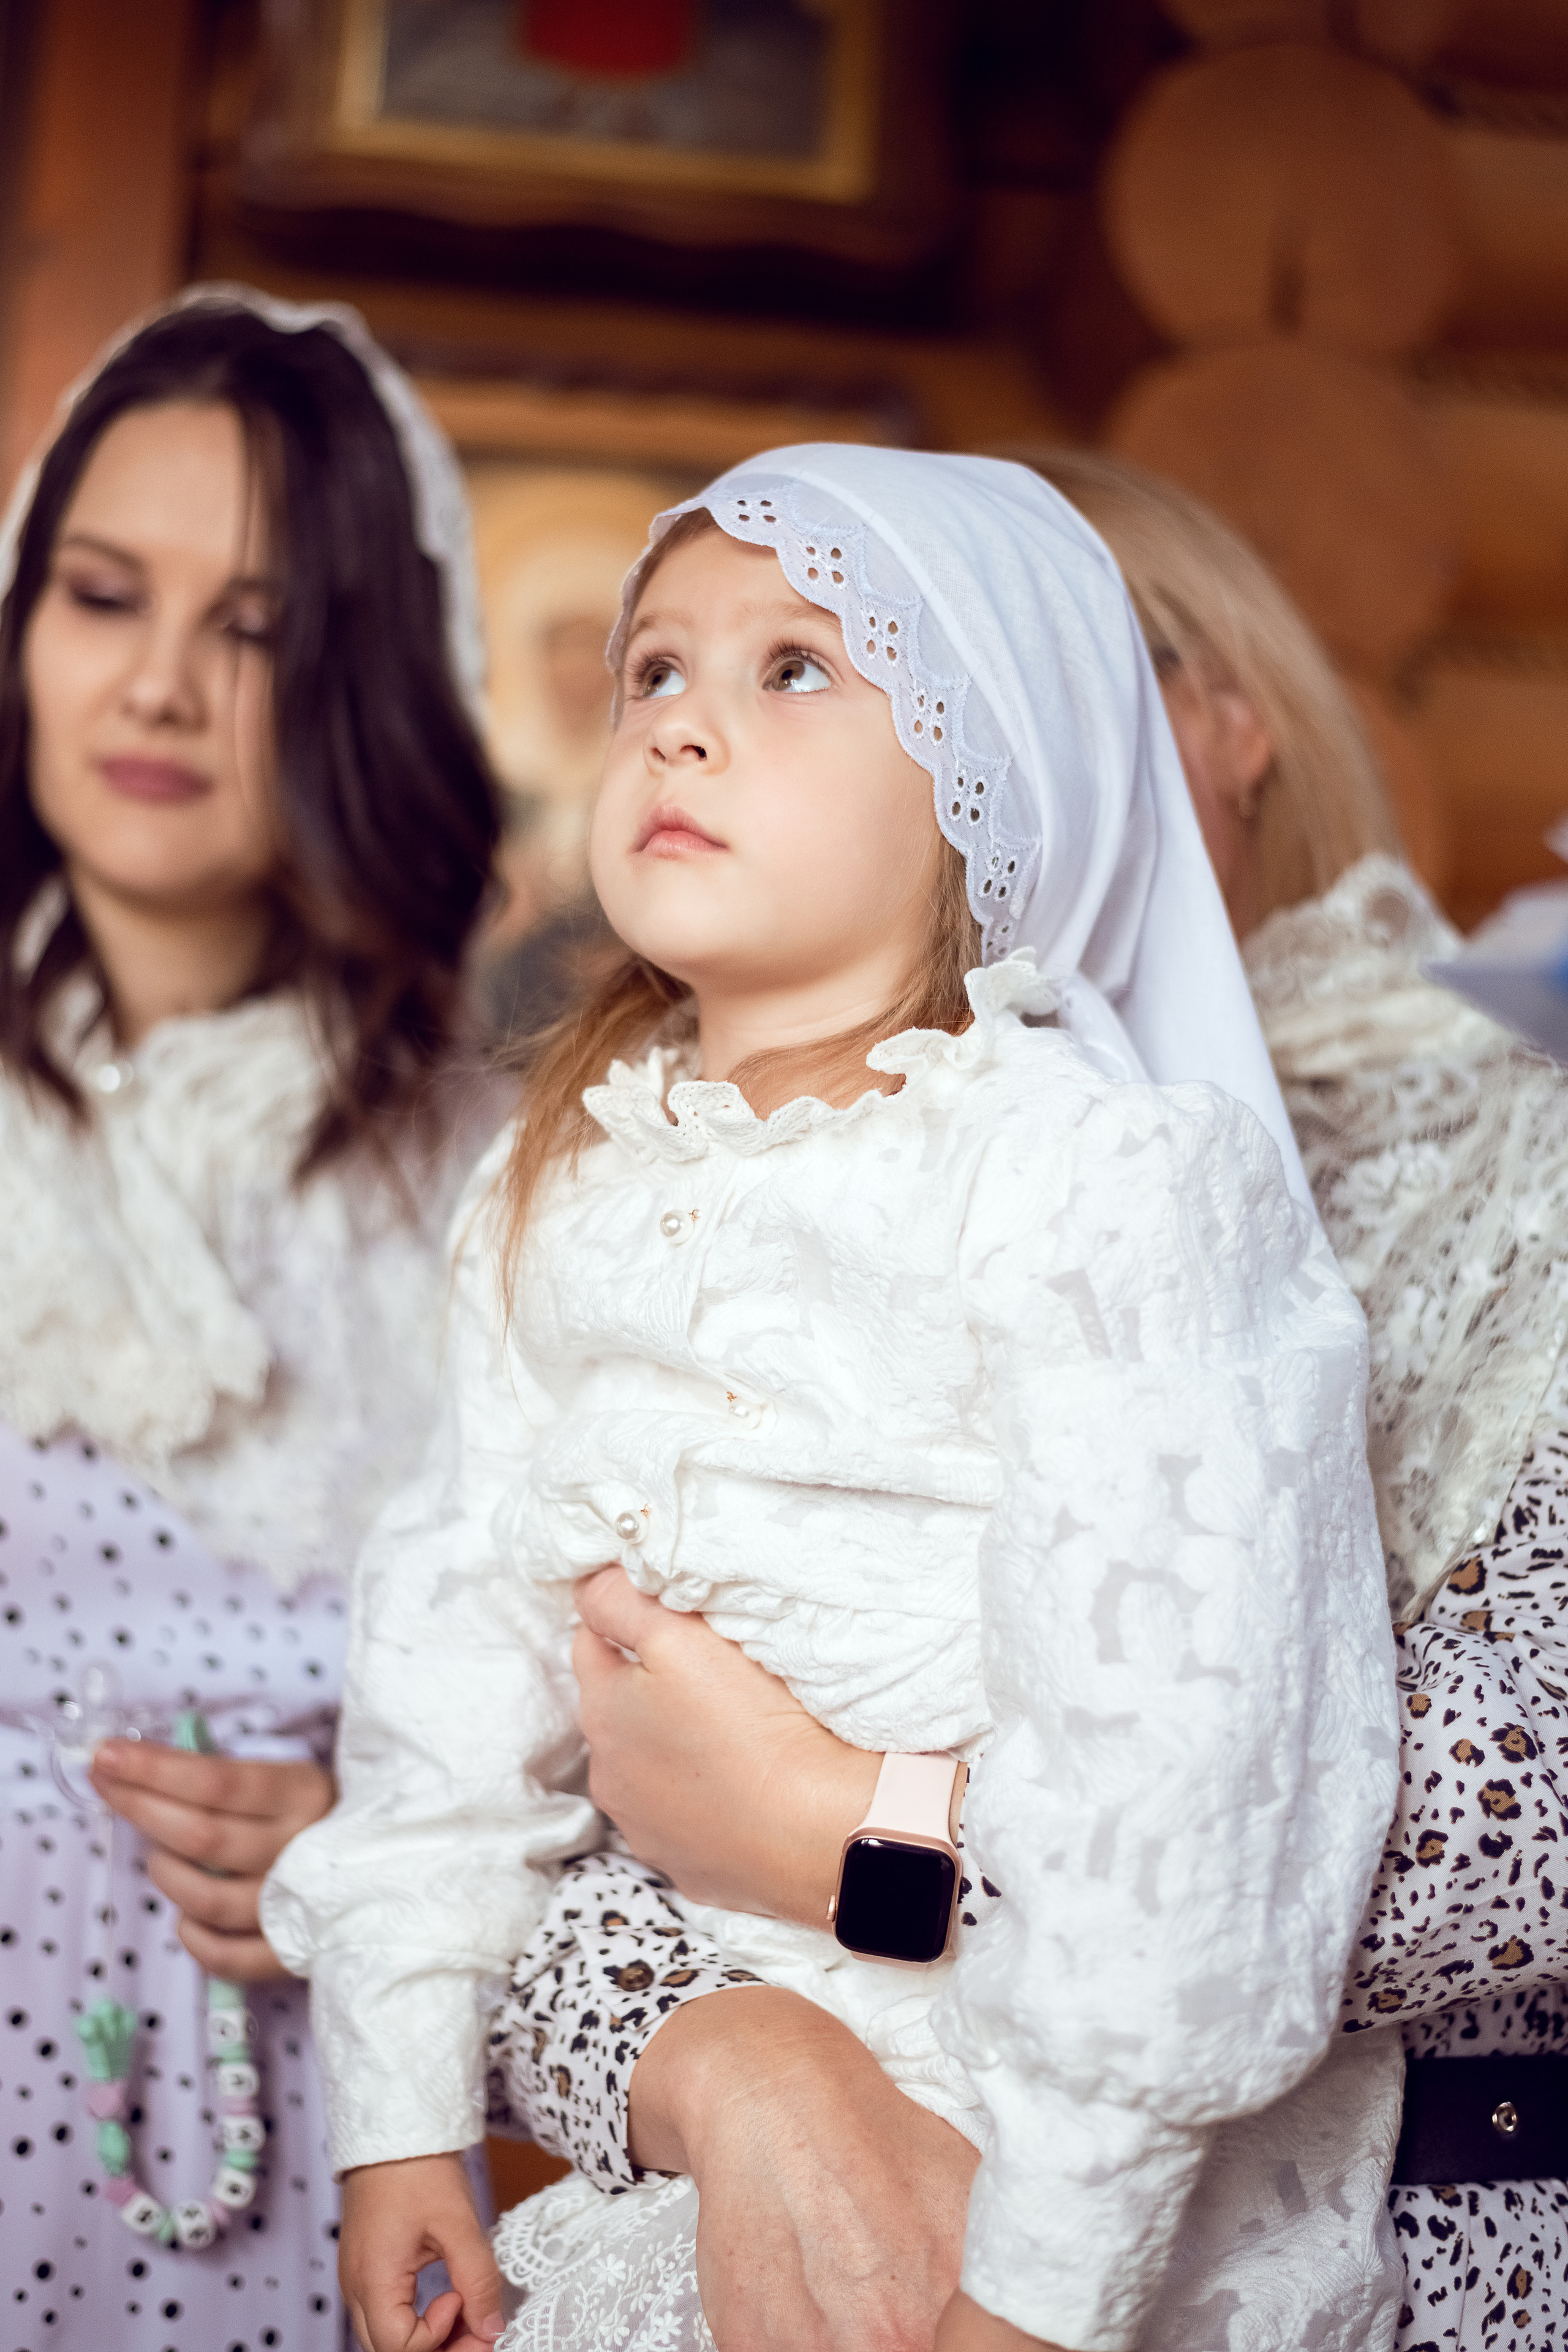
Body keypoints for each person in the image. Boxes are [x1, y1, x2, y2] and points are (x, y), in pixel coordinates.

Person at [265, 445, 1398, 2352]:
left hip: (1066, 2211)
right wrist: (396, 2123)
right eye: (654, 674)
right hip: (707, 2150)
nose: (685, 729)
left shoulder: (1102, 1183)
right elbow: (448, 1669)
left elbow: (1188, 1795)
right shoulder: (555, 1180)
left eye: (796, 669)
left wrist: (1037, 2296)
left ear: (990, 773)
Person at [529, 452, 1568, 2352]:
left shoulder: (1510, 1138)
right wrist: (746, 2067)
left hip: (1423, 2255)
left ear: (1229, 718)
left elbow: (1531, 1815)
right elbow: (590, 1803)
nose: (1000, 713)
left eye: (1040, 647)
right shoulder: (787, 1166)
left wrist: (855, 1828)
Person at [0, 285, 502, 2352]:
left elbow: (627, 1745)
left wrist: (382, 1854)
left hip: (307, 2155)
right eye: (106, 594)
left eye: (260, 627)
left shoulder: (498, 1182)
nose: (162, 687)